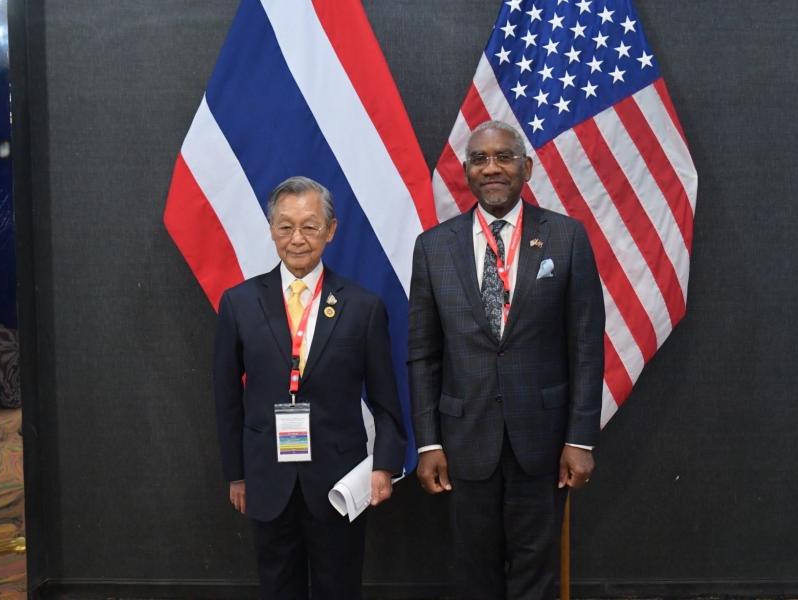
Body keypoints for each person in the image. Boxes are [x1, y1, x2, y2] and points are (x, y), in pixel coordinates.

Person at [408, 120, 605, 599]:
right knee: (473, 574)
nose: (491, 167)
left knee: (536, 573)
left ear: (527, 168)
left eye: (503, 157)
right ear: (467, 172)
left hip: (543, 442)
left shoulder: (566, 238)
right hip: (464, 441)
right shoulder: (433, 247)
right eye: (479, 159)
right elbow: (423, 355)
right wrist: (428, 442)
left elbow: (585, 347)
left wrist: (580, 438)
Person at [213, 176, 406, 600]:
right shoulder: (239, 303)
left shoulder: (363, 307)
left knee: (339, 588)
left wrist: (385, 466)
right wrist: (236, 474)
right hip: (266, 477)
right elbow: (226, 401)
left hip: (339, 480)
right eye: (285, 226)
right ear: (271, 229)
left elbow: (387, 399)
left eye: (310, 226)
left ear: (330, 230)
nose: (297, 239)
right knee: (278, 587)